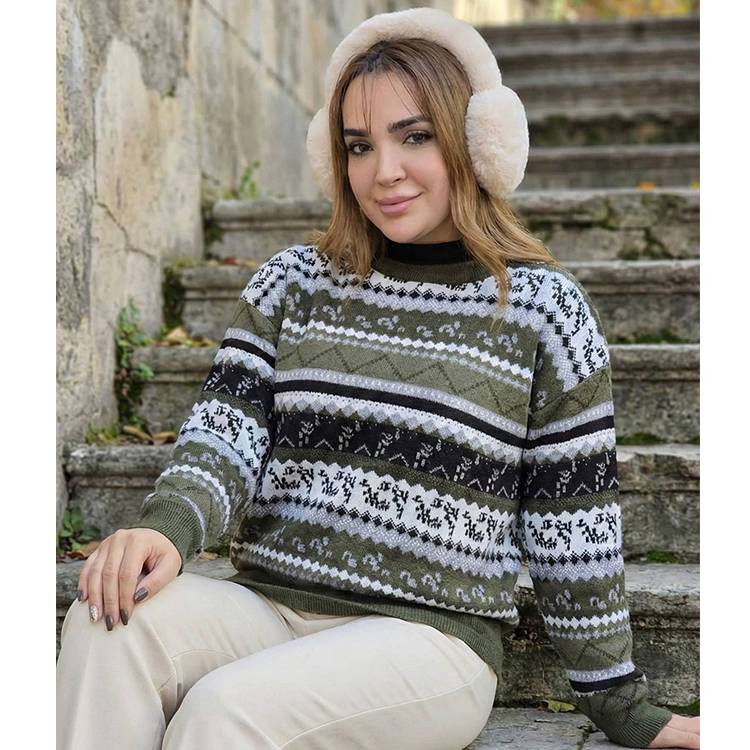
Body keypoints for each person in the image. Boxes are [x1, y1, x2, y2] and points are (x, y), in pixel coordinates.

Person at [56, 7, 700, 750]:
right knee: (106, 624)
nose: (383, 171)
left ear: (475, 140)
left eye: (415, 136)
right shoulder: (291, 283)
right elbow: (224, 438)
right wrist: (167, 526)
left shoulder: (542, 311)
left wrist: (619, 703)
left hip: (429, 643)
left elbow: (572, 526)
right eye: (359, 146)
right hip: (272, 608)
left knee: (223, 710)